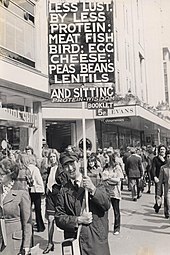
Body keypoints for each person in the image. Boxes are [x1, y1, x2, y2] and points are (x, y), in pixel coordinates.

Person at [55, 151, 111, 255]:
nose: (70, 168)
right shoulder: (63, 190)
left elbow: (106, 204)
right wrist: (78, 220)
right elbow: (59, 217)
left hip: (95, 239)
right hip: (75, 241)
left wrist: (93, 190)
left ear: (79, 163)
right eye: (66, 166)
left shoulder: (95, 181)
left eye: (72, 163)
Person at [0, 161, 32, 254]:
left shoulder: (21, 192)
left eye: (1, 174)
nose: (0, 177)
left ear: (11, 174)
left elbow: (27, 222)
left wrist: (26, 245)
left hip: (13, 240)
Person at [43, 149, 68, 254]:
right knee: (50, 219)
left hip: (58, 196)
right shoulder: (49, 169)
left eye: (53, 156)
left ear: (57, 157)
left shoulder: (60, 169)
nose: (52, 158)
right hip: (50, 197)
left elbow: (65, 183)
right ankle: (50, 243)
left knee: (62, 219)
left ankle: (68, 241)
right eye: (50, 157)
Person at [102, 154, 124, 235]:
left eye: (106, 157)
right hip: (106, 191)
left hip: (115, 192)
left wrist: (109, 179)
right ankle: (104, 227)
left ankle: (116, 228)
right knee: (104, 210)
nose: (105, 159)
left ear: (110, 158)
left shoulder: (116, 167)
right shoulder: (105, 168)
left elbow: (118, 179)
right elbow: (102, 179)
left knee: (116, 211)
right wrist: (109, 180)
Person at [152, 144, 167, 213]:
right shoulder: (155, 159)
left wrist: (163, 161)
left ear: (166, 150)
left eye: (163, 149)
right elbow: (153, 168)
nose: (162, 151)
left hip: (166, 178)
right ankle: (158, 205)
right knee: (158, 193)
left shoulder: (168, 158)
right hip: (158, 178)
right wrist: (154, 176)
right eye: (161, 149)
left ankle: (166, 211)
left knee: (167, 195)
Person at [157, 150, 170, 219]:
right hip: (167, 190)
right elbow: (160, 182)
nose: (169, 158)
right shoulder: (163, 168)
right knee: (168, 202)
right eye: (168, 156)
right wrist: (158, 194)